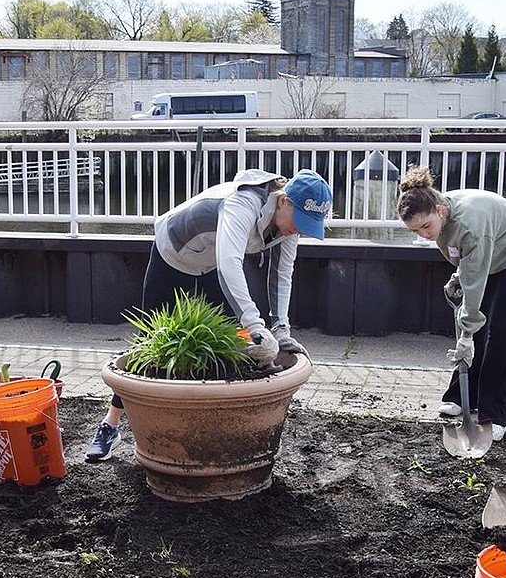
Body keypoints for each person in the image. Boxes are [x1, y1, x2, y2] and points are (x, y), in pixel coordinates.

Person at [86, 168, 332, 460]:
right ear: (283, 201)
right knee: (146, 346)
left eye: (309, 224)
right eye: (300, 221)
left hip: (209, 264)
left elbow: (282, 274)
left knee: (234, 341)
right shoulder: (243, 204)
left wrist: (280, 329)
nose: (300, 230)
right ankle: (109, 425)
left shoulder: (288, 227)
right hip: (173, 255)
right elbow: (230, 264)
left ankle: (225, 429)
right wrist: (256, 325)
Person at [397, 166, 506, 442]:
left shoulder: (470, 226)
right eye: (415, 230)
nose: (424, 235)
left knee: (497, 329)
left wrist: (466, 334)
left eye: (426, 226)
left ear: (439, 210)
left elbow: (474, 274)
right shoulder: (437, 218)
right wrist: (459, 275)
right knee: (478, 330)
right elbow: (468, 260)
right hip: (487, 254)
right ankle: (462, 397)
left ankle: (497, 414)